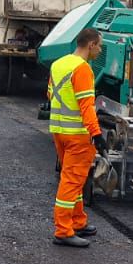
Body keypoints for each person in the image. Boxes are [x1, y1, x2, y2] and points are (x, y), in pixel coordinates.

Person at [48, 28, 106, 248]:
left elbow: (50, 94)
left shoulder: (58, 64)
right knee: (71, 182)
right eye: (99, 46)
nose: (99, 50)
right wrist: (96, 134)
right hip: (78, 136)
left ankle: (77, 221)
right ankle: (63, 230)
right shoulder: (83, 69)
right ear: (90, 44)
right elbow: (86, 107)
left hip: (59, 131)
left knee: (74, 178)